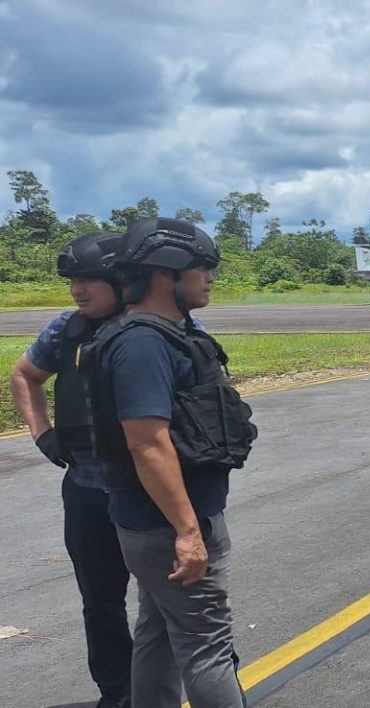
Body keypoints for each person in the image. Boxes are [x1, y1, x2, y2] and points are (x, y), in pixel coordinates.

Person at [81, 217, 256, 707]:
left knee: (158, 631)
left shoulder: (159, 334)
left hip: (157, 522)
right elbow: (147, 442)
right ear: (167, 273)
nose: (210, 279)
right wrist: (187, 532)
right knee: (207, 646)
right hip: (167, 525)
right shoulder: (143, 342)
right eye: (202, 268)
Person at [8, 232, 132, 708]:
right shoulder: (66, 329)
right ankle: (119, 693)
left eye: (89, 280)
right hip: (85, 488)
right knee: (100, 601)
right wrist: (41, 432)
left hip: (150, 492)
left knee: (179, 606)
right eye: (73, 282)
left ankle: (213, 690)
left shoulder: (157, 327)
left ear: (122, 279)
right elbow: (25, 374)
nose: (78, 290)